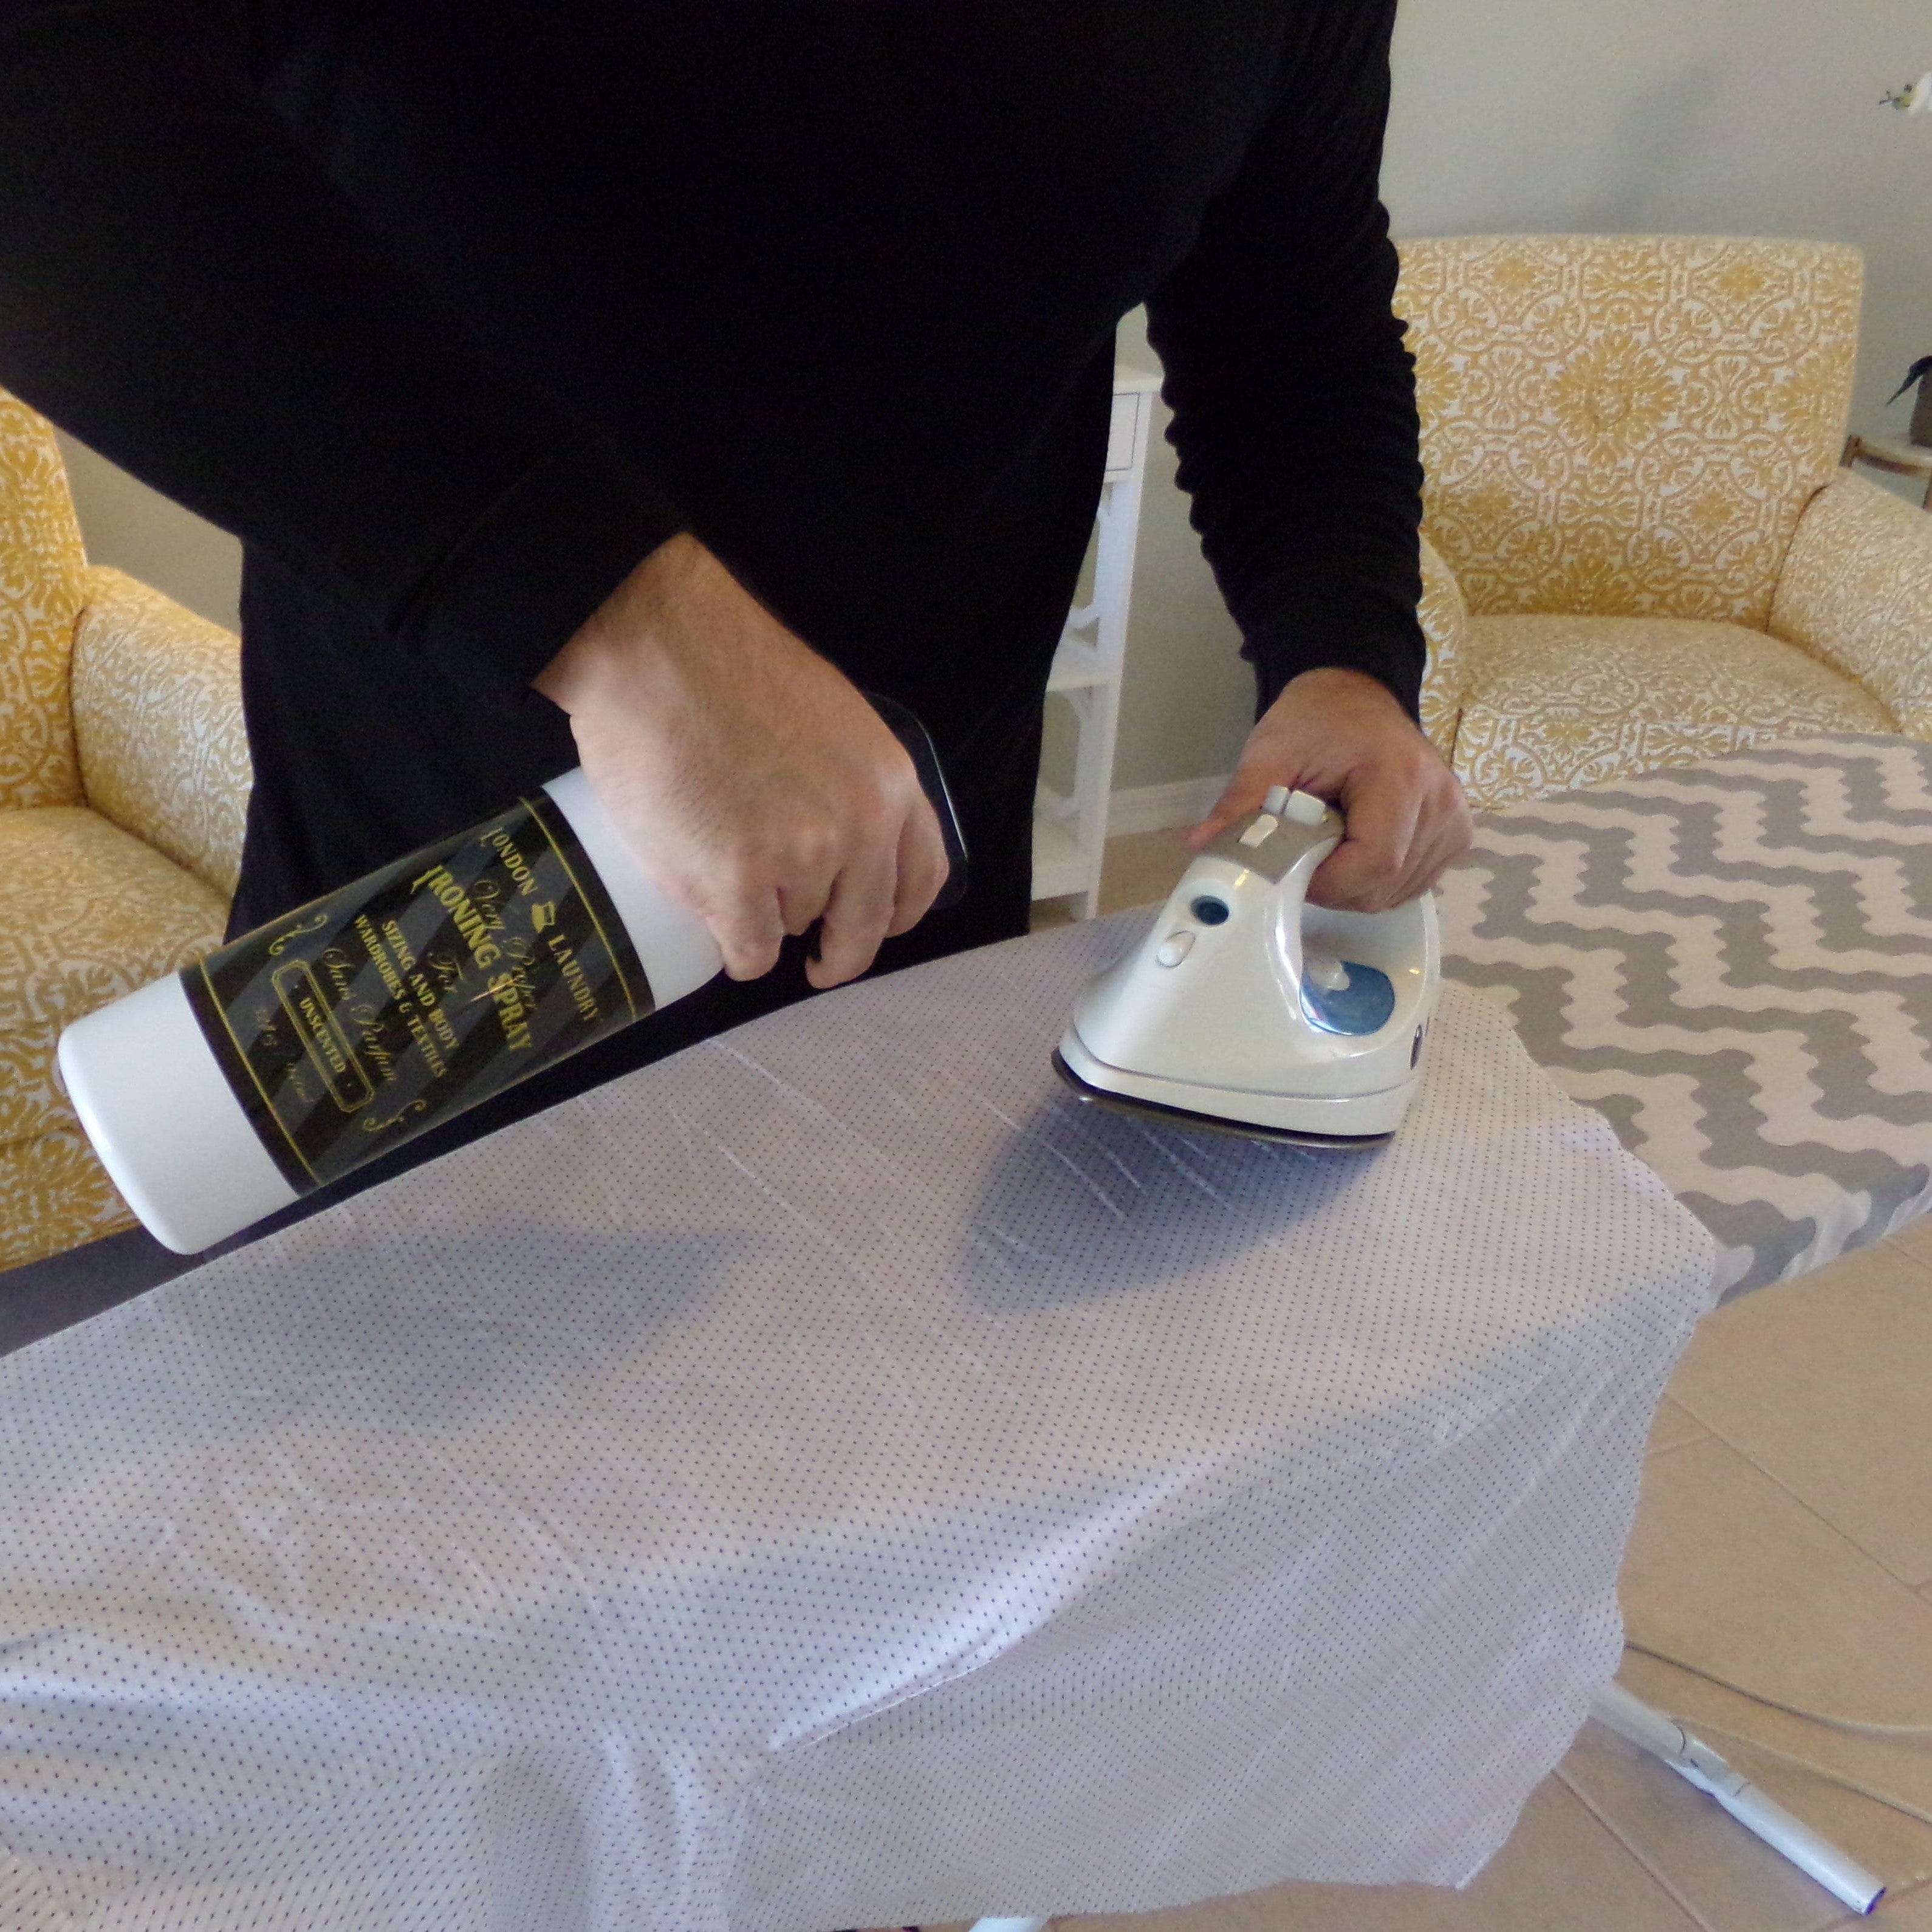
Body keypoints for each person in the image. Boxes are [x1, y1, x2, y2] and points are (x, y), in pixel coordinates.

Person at [0, 0, 1470, 1201]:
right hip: (434, 967)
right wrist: (628, 631)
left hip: (911, 954)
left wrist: (1342, 655)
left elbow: (1298, 323)